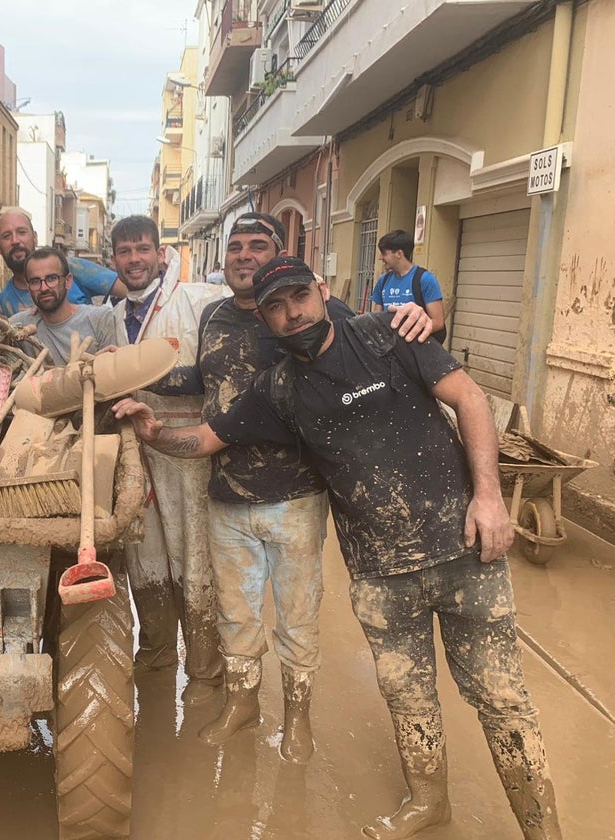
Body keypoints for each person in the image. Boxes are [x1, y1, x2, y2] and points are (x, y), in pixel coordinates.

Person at [115, 256, 562, 840]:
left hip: (462, 549)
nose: (290, 312)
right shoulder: (280, 387)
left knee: (501, 697)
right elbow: (207, 437)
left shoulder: (388, 334)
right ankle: (429, 802)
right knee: (407, 695)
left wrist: (490, 497)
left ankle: (543, 829)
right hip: (379, 572)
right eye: (275, 306)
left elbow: (471, 400)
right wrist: (153, 432)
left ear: (322, 292)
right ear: (267, 317)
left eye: (299, 296)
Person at [153, 212, 430, 761]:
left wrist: (413, 316)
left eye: (258, 245)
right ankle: (243, 704)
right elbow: (203, 381)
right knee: (236, 614)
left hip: (297, 496)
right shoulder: (213, 316)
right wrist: (139, 374)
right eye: (235, 246)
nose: (243, 254)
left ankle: (298, 719)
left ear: (279, 259)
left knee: (298, 614)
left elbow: (365, 348)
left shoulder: (309, 313)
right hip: (226, 494)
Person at [108, 215, 224, 702]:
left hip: (187, 451)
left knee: (195, 557)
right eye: (125, 251)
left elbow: (223, 365)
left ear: (160, 253)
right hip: (137, 451)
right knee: (144, 555)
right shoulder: (115, 314)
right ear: (113, 259)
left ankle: (205, 671)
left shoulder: (200, 300)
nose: (134, 259)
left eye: (142, 249)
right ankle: (156, 652)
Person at [0, 208, 127, 318]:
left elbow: (131, 291)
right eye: (6, 236)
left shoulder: (71, 267)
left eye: (21, 232)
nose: (15, 240)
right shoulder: (1, 308)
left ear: (35, 237)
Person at [7, 247, 118, 365]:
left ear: (68, 281)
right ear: (28, 287)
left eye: (51, 278)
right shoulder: (17, 326)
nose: (44, 288)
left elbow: (112, 375)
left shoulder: (100, 320)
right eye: (35, 281)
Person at [371, 229, 446, 343]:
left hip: (417, 350)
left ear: (399, 254)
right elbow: (377, 316)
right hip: (390, 351)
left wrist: (408, 334)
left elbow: (438, 322)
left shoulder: (425, 280)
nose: (380, 258)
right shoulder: (383, 281)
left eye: (384, 253)